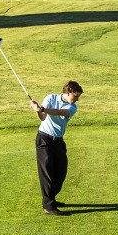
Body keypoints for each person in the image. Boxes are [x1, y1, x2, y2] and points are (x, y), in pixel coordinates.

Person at [33, 81, 83, 216]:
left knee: (61, 172)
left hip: (58, 141)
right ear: (68, 93)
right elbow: (42, 117)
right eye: (76, 96)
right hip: (44, 139)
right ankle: (48, 205)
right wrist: (38, 110)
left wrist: (43, 109)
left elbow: (59, 112)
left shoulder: (72, 107)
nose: (77, 99)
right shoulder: (50, 98)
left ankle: (51, 198)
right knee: (47, 172)